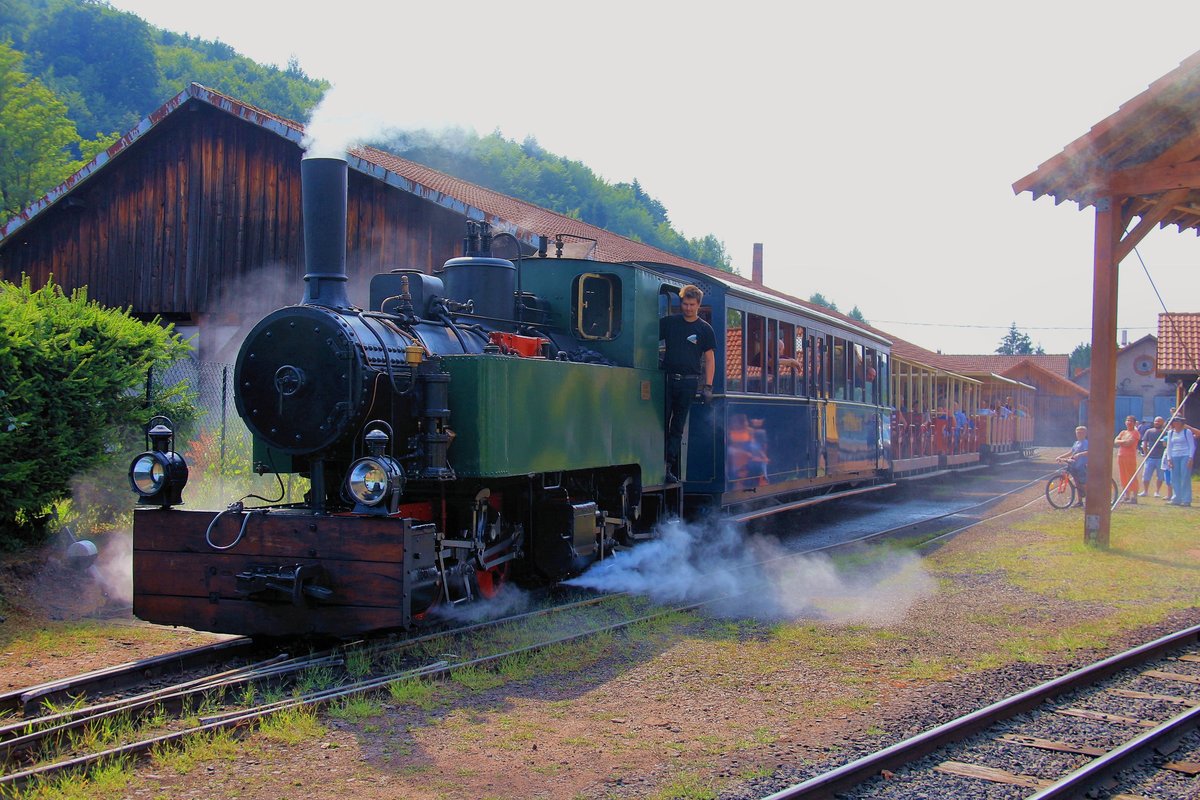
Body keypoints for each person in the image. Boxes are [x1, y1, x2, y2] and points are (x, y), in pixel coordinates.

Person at [659, 284, 716, 484]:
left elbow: (709, 359)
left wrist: (707, 386)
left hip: (689, 382)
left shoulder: (704, 329)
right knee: (661, 421)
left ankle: (668, 466)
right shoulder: (669, 323)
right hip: (667, 378)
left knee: (677, 426)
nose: (688, 308)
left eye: (692, 305)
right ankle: (659, 461)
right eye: (685, 304)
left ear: (698, 305)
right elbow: (648, 338)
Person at [1164, 416, 1196, 507]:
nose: (1176, 423)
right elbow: (1169, 446)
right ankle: (1176, 498)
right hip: (1174, 456)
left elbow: (1192, 445)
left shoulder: (1187, 432)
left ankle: (1186, 499)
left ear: (1182, 423)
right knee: (1175, 478)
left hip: (1185, 455)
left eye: (1178, 421)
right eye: (1174, 421)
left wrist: (1190, 458)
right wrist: (1169, 459)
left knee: (1185, 477)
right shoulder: (1170, 433)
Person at [1056, 426, 1088, 507]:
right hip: (1074, 465)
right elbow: (1071, 452)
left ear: (1085, 434)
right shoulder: (1076, 443)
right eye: (1077, 433)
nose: (1079, 434)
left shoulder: (1086, 442)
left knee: (1083, 483)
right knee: (1077, 483)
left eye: (1081, 433)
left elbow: (1089, 451)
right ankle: (1080, 501)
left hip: (1082, 465)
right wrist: (1061, 457)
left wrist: (1079, 454)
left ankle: (1089, 499)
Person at [1139, 417, 1168, 498]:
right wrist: (1145, 454)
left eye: (1159, 421)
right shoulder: (1149, 431)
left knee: (1160, 476)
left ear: (1162, 423)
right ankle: (1145, 491)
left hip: (1161, 458)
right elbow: (1144, 443)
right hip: (1150, 457)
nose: (1157, 422)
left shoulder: (1165, 433)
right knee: (1146, 476)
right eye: (1156, 421)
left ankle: (1157, 492)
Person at [1113, 415, 1140, 503]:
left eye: (1131, 421)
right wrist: (1122, 442)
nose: (1129, 422)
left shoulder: (1135, 433)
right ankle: (1126, 495)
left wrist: (1122, 442)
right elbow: (1115, 441)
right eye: (1127, 420)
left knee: (1131, 476)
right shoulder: (1123, 432)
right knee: (1123, 476)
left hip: (1130, 457)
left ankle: (1134, 497)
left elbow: (1129, 443)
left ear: (1134, 423)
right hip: (1121, 456)